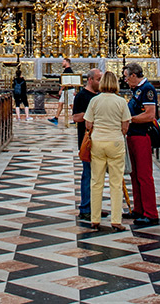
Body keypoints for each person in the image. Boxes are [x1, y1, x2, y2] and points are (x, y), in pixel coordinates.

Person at [83, 70, 132, 231]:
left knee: (96, 181)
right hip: (115, 143)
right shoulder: (121, 101)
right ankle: (116, 220)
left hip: (97, 142)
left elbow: (88, 124)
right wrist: (116, 131)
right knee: (116, 183)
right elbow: (126, 126)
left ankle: (95, 219)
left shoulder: (95, 101)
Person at [123, 61, 159, 226]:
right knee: (135, 174)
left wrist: (128, 120)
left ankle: (150, 213)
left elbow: (150, 115)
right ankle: (139, 209)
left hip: (141, 135)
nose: (125, 80)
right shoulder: (137, 90)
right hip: (133, 135)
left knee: (144, 175)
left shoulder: (147, 89)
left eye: (126, 77)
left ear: (133, 75)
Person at [71, 67, 102, 220]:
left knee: (99, 176)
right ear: (90, 80)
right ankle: (85, 208)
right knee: (88, 174)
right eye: (98, 79)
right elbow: (76, 118)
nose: (100, 82)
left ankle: (95, 207)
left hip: (101, 139)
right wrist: (91, 115)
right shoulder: (81, 96)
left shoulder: (101, 95)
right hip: (87, 140)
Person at [49, 57, 74, 126]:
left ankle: (76, 118)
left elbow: (66, 81)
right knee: (60, 103)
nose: (62, 63)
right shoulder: (66, 70)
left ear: (67, 62)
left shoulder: (68, 70)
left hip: (68, 90)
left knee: (72, 104)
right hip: (65, 90)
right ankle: (56, 118)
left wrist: (61, 89)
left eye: (63, 62)